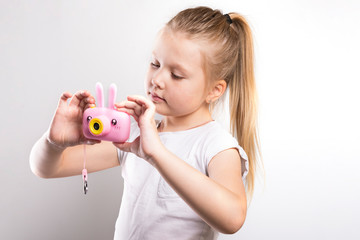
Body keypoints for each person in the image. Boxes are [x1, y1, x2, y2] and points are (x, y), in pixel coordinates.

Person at [30, 6, 261, 240]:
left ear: (214, 90)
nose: (157, 80)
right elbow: (47, 168)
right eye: (155, 63)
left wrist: (157, 154)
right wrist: (54, 142)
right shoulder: (134, 133)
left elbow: (232, 219)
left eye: (177, 75)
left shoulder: (216, 145)